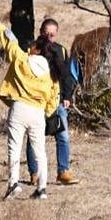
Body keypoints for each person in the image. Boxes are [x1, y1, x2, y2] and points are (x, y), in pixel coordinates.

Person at [0, 16, 59, 200]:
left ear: (36, 49)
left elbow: (11, 43)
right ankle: (42, 189)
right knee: (40, 152)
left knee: (14, 147)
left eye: (32, 46)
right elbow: (55, 95)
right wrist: (47, 111)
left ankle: (13, 184)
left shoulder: (23, 60)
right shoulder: (50, 72)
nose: (29, 47)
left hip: (20, 108)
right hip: (38, 112)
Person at [27, 17, 78, 185]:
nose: (49, 37)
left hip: (57, 100)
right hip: (35, 101)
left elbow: (67, 76)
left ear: (57, 34)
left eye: (52, 35)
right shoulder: (32, 50)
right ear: (40, 32)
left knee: (63, 136)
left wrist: (67, 97)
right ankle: (35, 173)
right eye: (46, 34)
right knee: (34, 137)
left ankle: (63, 171)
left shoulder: (61, 51)